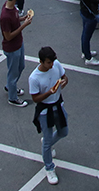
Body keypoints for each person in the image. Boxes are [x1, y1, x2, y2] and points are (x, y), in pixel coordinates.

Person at [30, 46, 70, 185]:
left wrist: (65, 81)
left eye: (52, 61)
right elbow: (35, 99)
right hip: (45, 111)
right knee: (47, 141)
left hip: (58, 105)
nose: (51, 64)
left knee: (63, 132)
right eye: (48, 62)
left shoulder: (56, 64)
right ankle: (49, 167)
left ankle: (47, 145)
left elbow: (64, 77)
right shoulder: (34, 78)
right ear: (41, 61)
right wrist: (49, 93)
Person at [0, 0, 34, 107]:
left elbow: (14, 19)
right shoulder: (5, 16)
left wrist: (22, 19)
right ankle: (12, 97)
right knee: (13, 72)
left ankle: (11, 86)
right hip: (12, 47)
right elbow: (8, 36)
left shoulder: (11, 7)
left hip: (18, 43)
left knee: (21, 66)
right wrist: (24, 25)